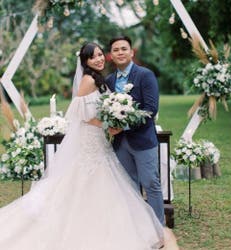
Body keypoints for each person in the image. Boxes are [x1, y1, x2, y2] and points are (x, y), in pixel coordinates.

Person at [0, 42, 178, 249]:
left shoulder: (103, 79)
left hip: (106, 141)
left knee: (129, 184)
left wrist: (115, 121)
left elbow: (142, 108)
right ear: (85, 61)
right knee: (87, 183)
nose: (99, 59)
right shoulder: (87, 80)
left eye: (100, 55)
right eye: (93, 57)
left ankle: (152, 229)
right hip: (91, 141)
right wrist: (109, 124)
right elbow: (78, 114)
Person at [105, 35, 166, 226]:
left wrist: (123, 125)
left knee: (151, 184)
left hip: (142, 140)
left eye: (124, 49)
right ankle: (139, 227)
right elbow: (105, 109)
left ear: (131, 52)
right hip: (120, 143)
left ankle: (159, 227)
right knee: (130, 186)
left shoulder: (145, 75)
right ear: (111, 56)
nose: (120, 52)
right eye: (116, 50)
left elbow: (151, 109)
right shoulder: (109, 80)